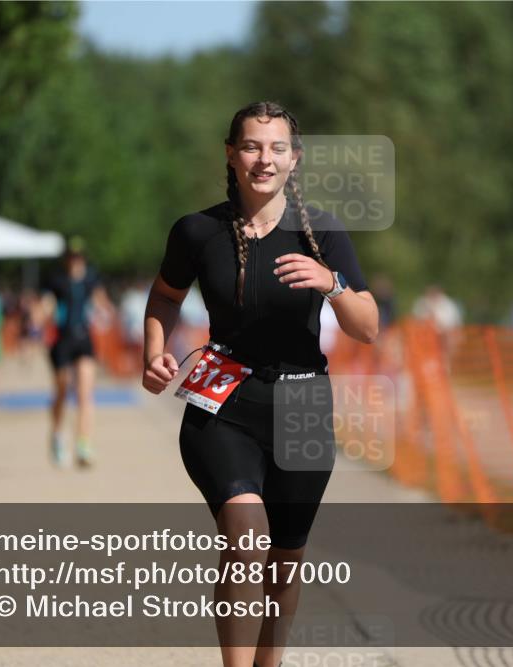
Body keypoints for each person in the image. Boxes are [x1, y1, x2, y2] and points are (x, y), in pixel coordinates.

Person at [142, 101, 378, 667]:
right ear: (231, 154)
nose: (263, 159)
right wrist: (153, 351)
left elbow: (367, 327)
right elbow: (165, 296)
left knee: (285, 562)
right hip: (223, 402)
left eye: (276, 148)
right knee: (245, 539)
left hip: (302, 405)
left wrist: (331, 284)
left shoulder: (321, 231)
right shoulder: (197, 231)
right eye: (251, 146)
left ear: (295, 158)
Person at [34, 237, 115, 468]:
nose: (75, 261)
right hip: (62, 340)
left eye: (78, 257)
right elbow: (47, 304)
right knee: (62, 390)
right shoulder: (56, 280)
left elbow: (101, 302)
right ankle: (57, 435)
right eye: (71, 257)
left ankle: (83, 444)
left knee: (85, 393)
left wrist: (107, 312)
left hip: (83, 339)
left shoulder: (91, 278)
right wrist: (39, 316)